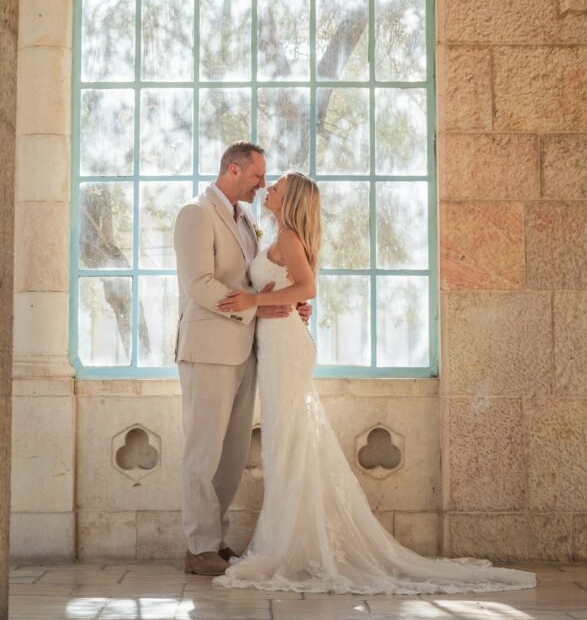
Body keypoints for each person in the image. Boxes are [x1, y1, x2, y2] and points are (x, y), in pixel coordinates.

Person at [214, 172, 537, 596]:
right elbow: (292, 290)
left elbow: (308, 285)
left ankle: (292, 544)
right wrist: (277, 301)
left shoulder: (290, 236)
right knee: (285, 440)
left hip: (287, 347)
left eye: (277, 184)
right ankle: (289, 536)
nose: (269, 186)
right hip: (274, 344)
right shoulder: (275, 236)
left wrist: (261, 300)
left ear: (291, 199)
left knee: (290, 437)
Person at [173, 142, 311, 577]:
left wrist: (292, 306)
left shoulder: (247, 218)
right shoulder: (195, 214)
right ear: (233, 170)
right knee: (203, 451)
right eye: (256, 176)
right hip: (208, 350)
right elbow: (199, 284)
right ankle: (198, 547)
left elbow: (267, 279)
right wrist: (258, 308)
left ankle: (216, 540)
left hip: (248, 349)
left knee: (231, 455)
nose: (262, 184)